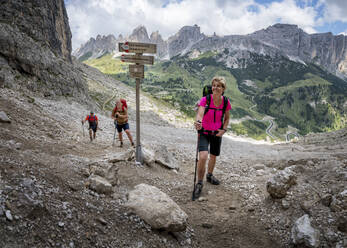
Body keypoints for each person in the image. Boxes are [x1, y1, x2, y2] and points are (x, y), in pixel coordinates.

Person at [193, 76, 232, 199]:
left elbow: (227, 118)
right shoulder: (205, 100)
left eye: (218, 86)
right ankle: (199, 182)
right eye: (214, 85)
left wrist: (224, 129)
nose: (215, 88)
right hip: (204, 131)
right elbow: (200, 114)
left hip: (216, 133)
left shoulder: (225, 102)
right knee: (203, 156)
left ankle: (209, 175)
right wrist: (198, 122)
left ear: (223, 88)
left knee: (213, 156)